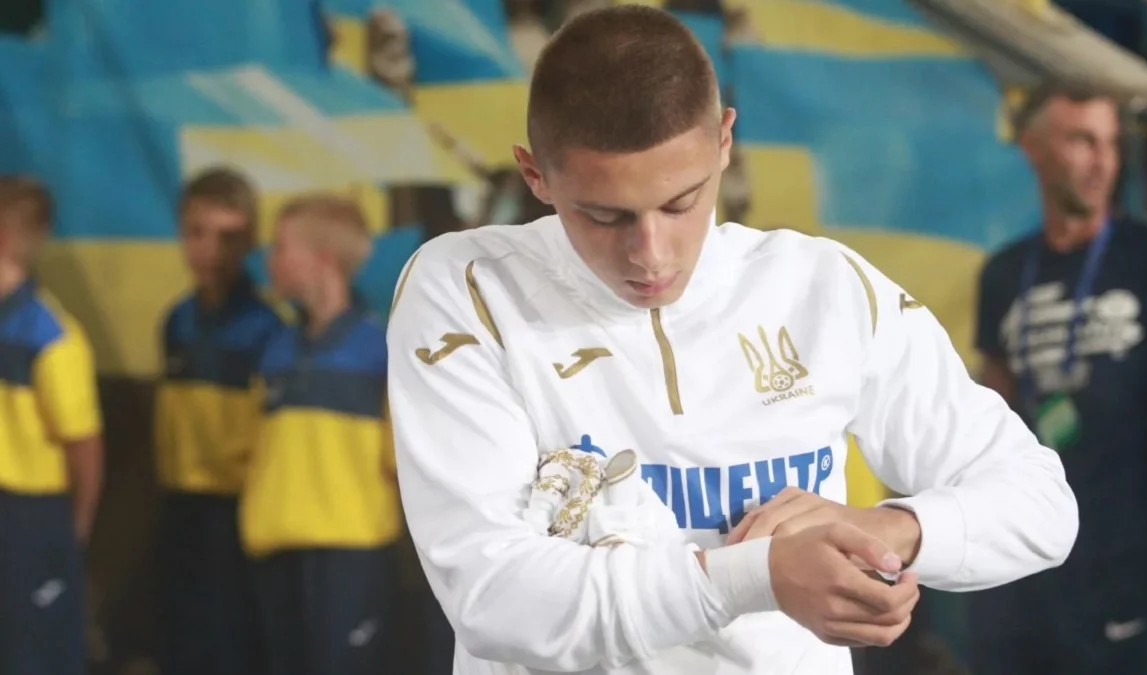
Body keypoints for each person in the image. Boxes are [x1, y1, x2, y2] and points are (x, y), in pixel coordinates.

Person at [387, 7, 1078, 674]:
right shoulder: (468, 290)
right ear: (534, 174)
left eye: (681, 203)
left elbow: (1041, 505)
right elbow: (493, 595)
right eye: (604, 216)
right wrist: (760, 574)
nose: (650, 253)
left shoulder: (821, 287)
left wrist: (886, 530)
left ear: (723, 141)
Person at [969, 84, 1147, 675]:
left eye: (1111, 145)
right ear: (1034, 147)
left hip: (1116, 555)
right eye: (1082, 141)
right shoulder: (1006, 272)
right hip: (1016, 555)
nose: (1102, 163)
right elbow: (991, 407)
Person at [241, 195, 400, 675]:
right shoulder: (274, 348)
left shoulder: (381, 351)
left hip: (350, 554)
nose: (269, 260)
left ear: (324, 259)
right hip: (276, 547)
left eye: (280, 247)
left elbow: (401, 460)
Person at [154, 167, 281, 675]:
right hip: (179, 504)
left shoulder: (266, 328)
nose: (211, 250)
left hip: (237, 511)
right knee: (181, 637)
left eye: (228, 237)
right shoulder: (176, 320)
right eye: (197, 233)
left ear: (250, 241)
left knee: (232, 641)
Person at [0, 176, 104, 675]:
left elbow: (85, 446)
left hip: (30, 519)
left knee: (34, 652)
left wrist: (71, 530)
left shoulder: (51, 337)